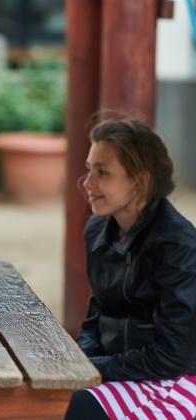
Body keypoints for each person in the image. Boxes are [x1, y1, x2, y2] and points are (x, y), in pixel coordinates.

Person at [64, 119, 196, 420]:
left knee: (72, 409)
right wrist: (82, 360)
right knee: (42, 400)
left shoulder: (177, 244)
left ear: (139, 182)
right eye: (89, 169)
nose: (87, 183)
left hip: (175, 379)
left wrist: (95, 368)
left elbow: (174, 354)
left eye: (103, 173)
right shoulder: (98, 230)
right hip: (123, 369)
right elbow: (97, 313)